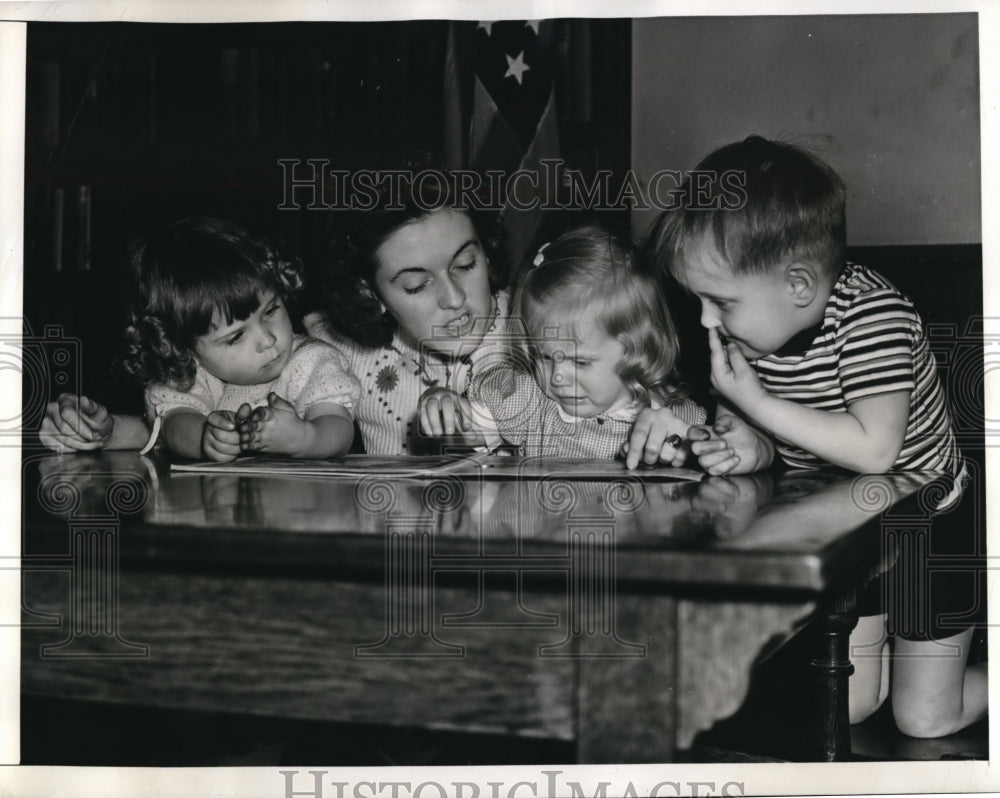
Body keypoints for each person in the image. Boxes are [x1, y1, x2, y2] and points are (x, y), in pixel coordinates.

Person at [648, 135, 985, 738]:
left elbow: (874, 451)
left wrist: (754, 402)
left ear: (799, 287)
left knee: (925, 718)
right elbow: (795, 431)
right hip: (852, 530)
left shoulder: (872, 316)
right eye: (697, 300)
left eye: (718, 301)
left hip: (932, 525)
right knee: (851, 704)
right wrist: (752, 440)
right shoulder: (760, 330)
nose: (704, 321)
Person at [41, 218, 360, 461]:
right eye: (235, 337)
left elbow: (337, 427)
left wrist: (305, 438)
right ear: (183, 348)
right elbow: (175, 424)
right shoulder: (192, 373)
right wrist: (206, 435)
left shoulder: (313, 361)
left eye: (271, 310)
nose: (267, 340)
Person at [419, 224, 706, 464]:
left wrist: (687, 448)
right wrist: (447, 410)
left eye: (580, 362)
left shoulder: (671, 418)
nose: (556, 376)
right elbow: (467, 432)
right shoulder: (529, 402)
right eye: (544, 357)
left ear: (638, 350)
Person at [303, 179, 510, 455]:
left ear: (486, 253)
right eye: (417, 284)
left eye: (465, 264)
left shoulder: (537, 322)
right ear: (369, 293)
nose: (454, 298)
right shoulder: (340, 350)